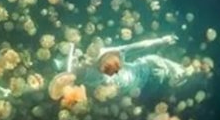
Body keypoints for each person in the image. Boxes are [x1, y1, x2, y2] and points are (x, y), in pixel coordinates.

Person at [54, 34, 188, 91]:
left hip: (140, 70)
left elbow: (137, 46)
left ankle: (178, 71)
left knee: (153, 59)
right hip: (142, 88)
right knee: (155, 63)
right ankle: (178, 73)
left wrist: (161, 40)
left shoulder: (107, 52)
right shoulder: (90, 74)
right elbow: (77, 73)